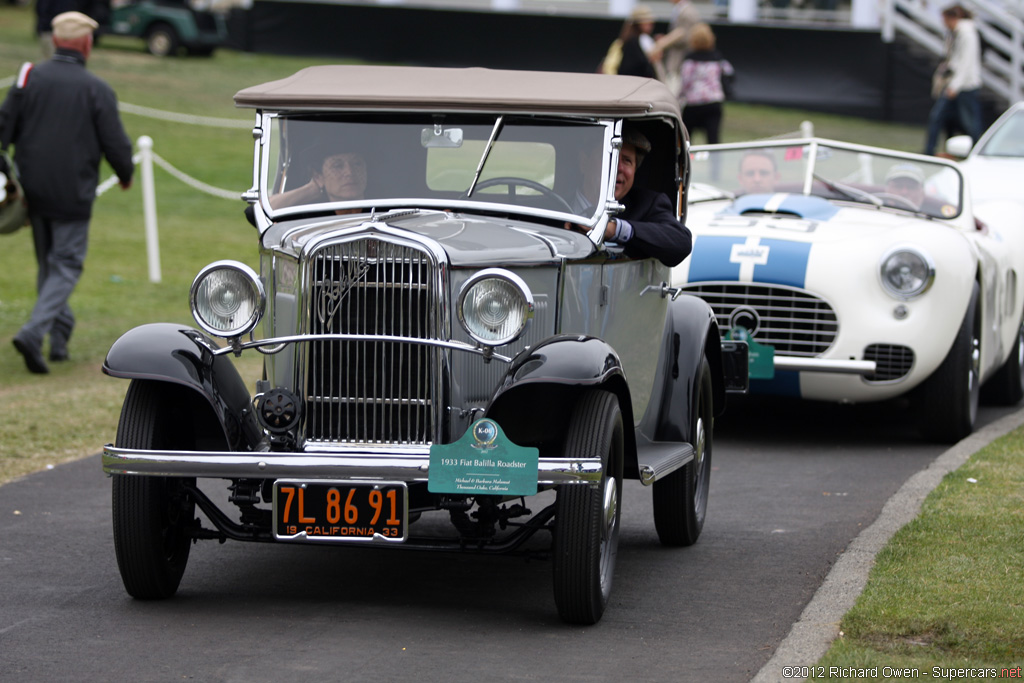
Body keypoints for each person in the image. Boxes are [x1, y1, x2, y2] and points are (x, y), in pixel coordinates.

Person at [0, 11, 134, 374]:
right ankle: (33, 333)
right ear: (87, 44)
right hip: (73, 193)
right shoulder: (97, 89)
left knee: (50, 268)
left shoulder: (29, 78)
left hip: (33, 191)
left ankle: (60, 338)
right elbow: (116, 144)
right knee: (66, 266)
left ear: (56, 41)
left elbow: (3, 128)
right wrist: (126, 174)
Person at [566, 127, 691, 268]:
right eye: (610, 156)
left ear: (635, 171)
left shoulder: (646, 205)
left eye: (627, 161)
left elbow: (681, 242)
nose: (618, 168)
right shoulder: (552, 208)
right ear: (584, 162)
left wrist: (615, 230)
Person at [924, 5, 983, 156]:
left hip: (965, 85)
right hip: (955, 83)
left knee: (970, 123)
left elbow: (966, 62)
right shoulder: (954, 34)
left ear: (952, 18)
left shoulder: (967, 34)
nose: (943, 22)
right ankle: (930, 151)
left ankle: (977, 153)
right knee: (940, 118)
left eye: (944, 19)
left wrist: (954, 86)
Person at [269, 142, 368, 212]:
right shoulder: (310, 215)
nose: (349, 172)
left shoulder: (381, 209)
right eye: (337, 166)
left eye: (357, 164)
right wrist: (313, 188)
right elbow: (262, 212)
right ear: (318, 175)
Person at [677, 23, 734, 145]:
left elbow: (685, 83)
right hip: (713, 103)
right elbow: (730, 73)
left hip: (693, 104)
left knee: (686, 141)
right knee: (713, 140)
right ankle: (715, 163)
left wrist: (678, 97)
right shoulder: (718, 59)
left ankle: (687, 163)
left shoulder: (690, 61)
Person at [651, 0, 700, 94]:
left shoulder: (688, 12)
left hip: (680, 59)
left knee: (674, 88)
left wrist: (664, 42)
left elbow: (685, 37)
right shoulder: (681, 10)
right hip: (676, 58)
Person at [608, 5, 660, 79]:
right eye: (647, 21)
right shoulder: (632, 42)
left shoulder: (645, 39)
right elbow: (631, 67)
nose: (650, 24)